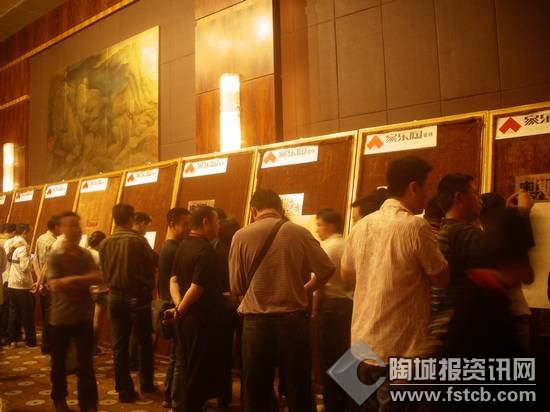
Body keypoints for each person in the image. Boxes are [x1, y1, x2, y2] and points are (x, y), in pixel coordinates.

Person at [342, 156, 449, 410]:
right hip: (402, 350)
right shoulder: (415, 226)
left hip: (361, 346)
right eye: (426, 186)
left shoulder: (362, 225)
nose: (427, 194)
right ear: (413, 187)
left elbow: (346, 275)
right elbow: (441, 278)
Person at [229, 189, 335, 412]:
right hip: (292, 321)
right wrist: (303, 289)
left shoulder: (240, 236)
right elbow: (326, 269)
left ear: (254, 210)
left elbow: (236, 286)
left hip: (255, 323)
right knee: (298, 387)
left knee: (256, 389)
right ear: (280, 208)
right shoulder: (299, 232)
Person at [168, 206, 226, 411]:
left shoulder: (183, 245)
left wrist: (178, 308)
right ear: (206, 222)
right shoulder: (206, 249)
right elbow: (196, 287)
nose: (219, 226)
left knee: (186, 368)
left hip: (185, 318)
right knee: (195, 373)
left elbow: (173, 281)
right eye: (217, 221)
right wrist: (181, 310)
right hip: (199, 320)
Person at [99, 203, 156, 402]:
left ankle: (123, 389)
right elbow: (149, 269)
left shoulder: (105, 243)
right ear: (131, 218)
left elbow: (104, 272)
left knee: (119, 345)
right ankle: (147, 383)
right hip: (137, 297)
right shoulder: (138, 241)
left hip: (114, 296)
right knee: (144, 342)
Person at [46, 211, 102, 412]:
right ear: (61, 229)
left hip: (83, 316)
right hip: (60, 318)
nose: (76, 230)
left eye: (78, 225)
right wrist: (82, 279)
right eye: (71, 225)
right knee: (58, 364)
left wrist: (70, 280)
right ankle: (59, 400)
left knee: (86, 364)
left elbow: (98, 277)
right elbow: (54, 285)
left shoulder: (85, 255)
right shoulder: (55, 256)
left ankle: (88, 405)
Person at [313, 208, 353, 412]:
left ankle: (332, 405)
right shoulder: (347, 244)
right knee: (346, 357)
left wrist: (313, 309)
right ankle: (348, 403)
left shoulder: (327, 247)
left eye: (320, 225)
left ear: (331, 225)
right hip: (348, 306)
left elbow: (319, 282)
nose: (317, 229)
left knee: (328, 358)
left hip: (330, 308)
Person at [157, 207, 191, 409]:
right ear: (172, 225)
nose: (188, 228)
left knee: (175, 355)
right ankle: (177, 400)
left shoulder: (167, 246)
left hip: (168, 303)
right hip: (174, 305)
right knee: (179, 357)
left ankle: (168, 396)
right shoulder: (174, 249)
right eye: (184, 224)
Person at [436, 174, 485, 312]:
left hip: (442, 317)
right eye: (475, 193)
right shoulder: (464, 233)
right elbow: (508, 265)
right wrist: (521, 214)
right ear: (458, 197)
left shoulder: (444, 230)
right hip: (460, 318)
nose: (481, 200)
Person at [214, 217, 241, 410]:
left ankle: (222, 396)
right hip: (236, 304)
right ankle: (241, 395)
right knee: (241, 351)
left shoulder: (213, 249)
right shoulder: (236, 251)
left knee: (220, 353)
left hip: (217, 306)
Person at [5, 224, 36, 348]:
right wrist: (32, 258)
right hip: (22, 285)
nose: (29, 235)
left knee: (13, 313)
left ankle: (13, 339)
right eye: (29, 233)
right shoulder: (23, 247)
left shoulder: (10, 243)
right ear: (24, 232)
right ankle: (30, 341)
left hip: (11, 282)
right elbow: (25, 267)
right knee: (27, 314)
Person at [34, 215, 61, 354]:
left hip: (43, 282)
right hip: (49, 283)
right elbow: (47, 265)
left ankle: (46, 345)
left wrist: (39, 281)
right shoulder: (53, 242)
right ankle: (48, 345)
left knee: (46, 316)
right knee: (51, 316)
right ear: (56, 227)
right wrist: (43, 282)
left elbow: (35, 260)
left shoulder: (40, 238)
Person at [87, 230, 108, 354]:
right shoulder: (99, 256)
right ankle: (93, 347)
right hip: (101, 291)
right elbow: (105, 275)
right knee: (97, 321)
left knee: (87, 320)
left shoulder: (84, 253)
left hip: (87, 290)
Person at [0, 223, 16, 345]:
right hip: (6, 280)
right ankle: (3, 334)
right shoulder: (6, 243)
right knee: (5, 308)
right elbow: (3, 266)